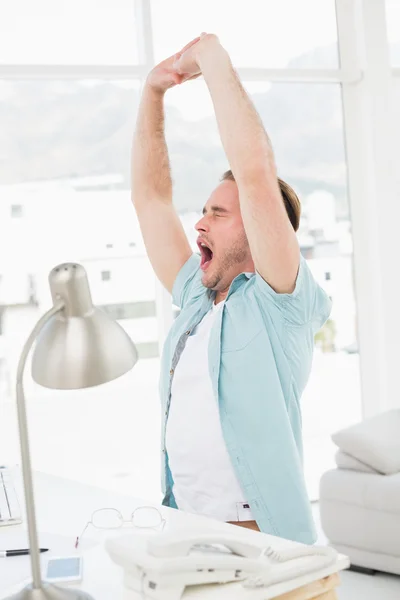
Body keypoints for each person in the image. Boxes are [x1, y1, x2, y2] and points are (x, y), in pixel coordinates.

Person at [131, 34, 331, 543]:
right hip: (187, 532)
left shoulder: (280, 305)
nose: (200, 223)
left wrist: (212, 59)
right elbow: (151, 200)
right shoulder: (197, 299)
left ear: (262, 230)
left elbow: (256, 174)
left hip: (260, 546)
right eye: (203, 211)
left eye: (218, 213)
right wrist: (153, 95)